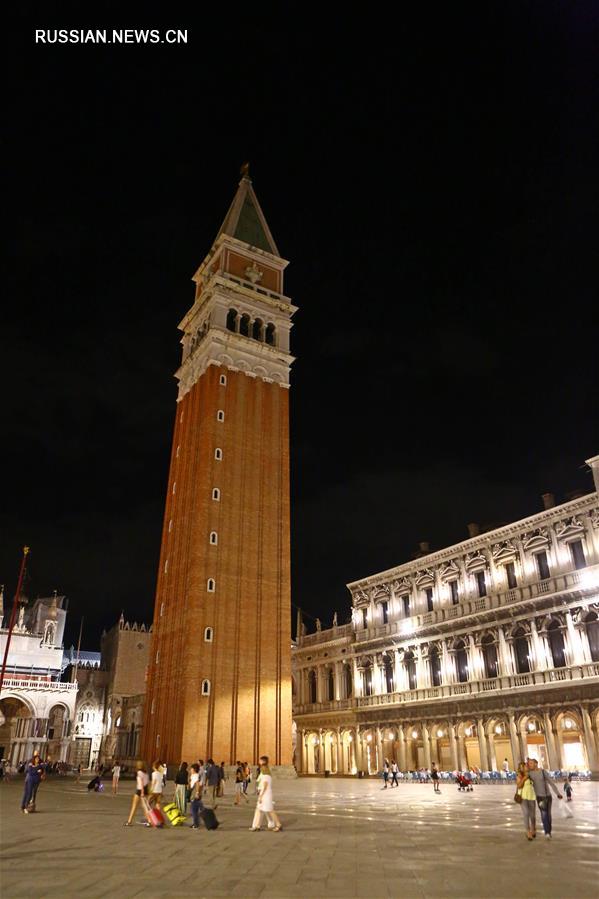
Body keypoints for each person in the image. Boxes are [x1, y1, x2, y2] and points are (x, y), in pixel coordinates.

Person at [527, 758, 562, 838]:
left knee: (548, 815)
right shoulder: (529, 774)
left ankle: (549, 830)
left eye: (531, 763)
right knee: (543, 814)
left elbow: (551, 783)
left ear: (536, 763)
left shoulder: (543, 772)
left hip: (548, 796)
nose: (530, 765)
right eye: (529, 764)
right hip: (539, 797)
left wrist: (557, 793)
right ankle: (547, 832)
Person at [250, 756, 282, 832]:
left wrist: (261, 796)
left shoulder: (266, 775)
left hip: (266, 795)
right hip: (266, 794)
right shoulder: (266, 774)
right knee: (260, 809)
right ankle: (257, 826)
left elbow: (265, 786)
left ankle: (278, 824)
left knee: (270, 810)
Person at [516, 761, 537, 841]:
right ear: (521, 768)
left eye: (526, 766)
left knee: (533, 815)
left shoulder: (531, 774)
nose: (526, 767)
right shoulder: (520, 776)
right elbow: (519, 786)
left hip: (531, 796)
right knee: (526, 814)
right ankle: (528, 832)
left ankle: (533, 828)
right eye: (525, 766)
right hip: (523, 797)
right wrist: (524, 778)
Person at [124, 762, 149, 826]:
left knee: (134, 806)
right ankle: (149, 821)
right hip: (146, 790)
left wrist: (142, 792)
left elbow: (141, 783)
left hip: (140, 790)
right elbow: (147, 783)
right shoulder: (146, 773)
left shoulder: (139, 773)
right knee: (145, 807)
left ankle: (129, 821)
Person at [189, 763, 204, 828]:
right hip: (196, 794)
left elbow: (197, 784)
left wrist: (197, 793)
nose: (190, 770)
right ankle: (195, 823)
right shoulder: (194, 775)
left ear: (194, 769)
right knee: (196, 809)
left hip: (195, 794)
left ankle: (196, 824)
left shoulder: (195, 775)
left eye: (191, 768)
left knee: (193, 810)